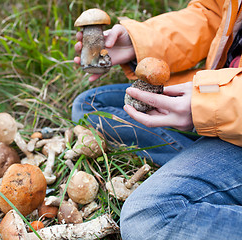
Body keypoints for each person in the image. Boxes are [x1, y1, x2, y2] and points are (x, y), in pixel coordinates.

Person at [73, 0, 242, 239]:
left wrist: (212, 105)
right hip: (215, 92)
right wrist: (139, 42)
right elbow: (213, 14)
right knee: (90, 106)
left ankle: (200, 170)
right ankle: (200, 163)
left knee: (148, 219)